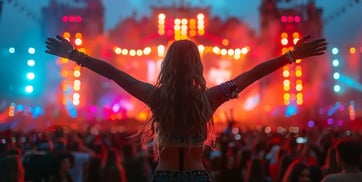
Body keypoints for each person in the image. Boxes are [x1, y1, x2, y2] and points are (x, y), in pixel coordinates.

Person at [45, 34, 327, 181]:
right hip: (198, 176)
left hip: (164, 176)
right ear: (197, 66)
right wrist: (291, 56)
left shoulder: (155, 97)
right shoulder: (209, 99)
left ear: (166, 65)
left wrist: (72, 54)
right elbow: (253, 74)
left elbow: (113, 73)